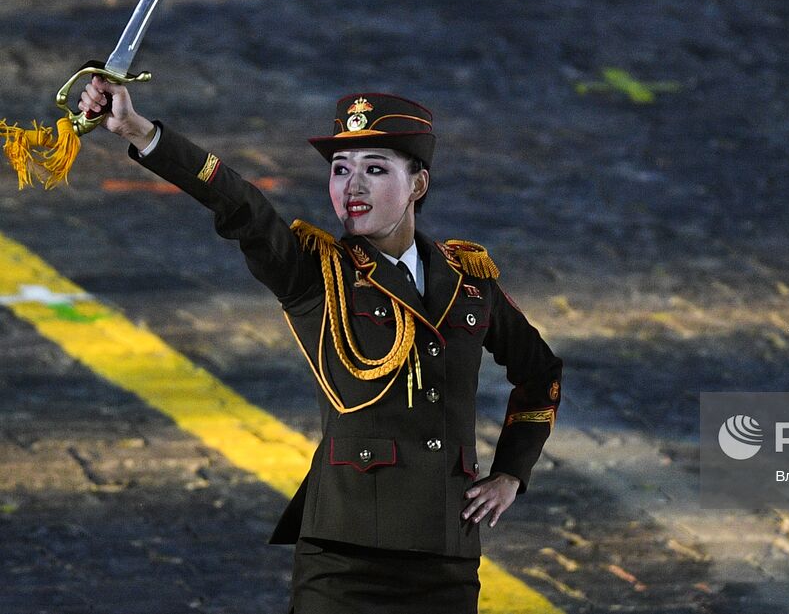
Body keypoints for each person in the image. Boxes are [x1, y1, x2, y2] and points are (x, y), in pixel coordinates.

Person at [79, 78, 563, 614]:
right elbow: (241, 207)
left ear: (418, 184)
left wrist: (512, 474)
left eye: (375, 168)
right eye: (340, 170)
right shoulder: (314, 275)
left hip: (445, 554)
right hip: (344, 556)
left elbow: (540, 373)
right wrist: (139, 131)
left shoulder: (469, 282)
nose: (352, 186)